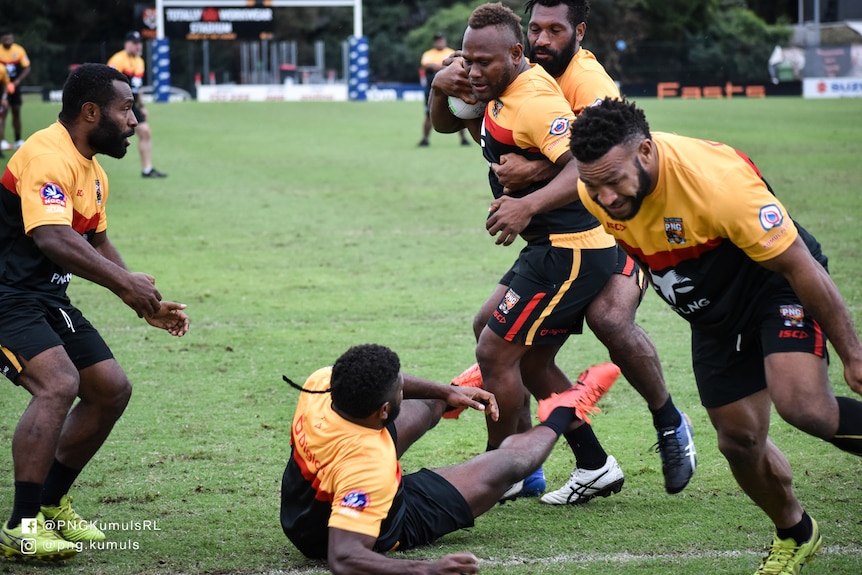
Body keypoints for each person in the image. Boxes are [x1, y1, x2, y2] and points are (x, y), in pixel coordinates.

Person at [569, 96, 862, 575]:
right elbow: (643, 249)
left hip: (772, 285)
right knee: (739, 442)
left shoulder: (718, 185)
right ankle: (796, 532)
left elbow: (799, 265)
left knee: (804, 406)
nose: (603, 198)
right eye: (591, 184)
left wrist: (853, 355)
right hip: (712, 314)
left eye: (612, 182)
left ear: (645, 151)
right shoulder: (598, 189)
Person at [429, 1, 696, 504]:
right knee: (504, 342)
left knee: (599, 326)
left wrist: (530, 192)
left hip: (616, 226)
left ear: (579, 31)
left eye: (556, 29)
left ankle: (667, 422)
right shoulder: (497, 76)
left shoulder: (580, 86)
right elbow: (459, 121)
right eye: (537, 28)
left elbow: (598, 163)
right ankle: (573, 464)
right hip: (559, 238)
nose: (544, 38)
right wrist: (441, 88)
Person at [0, 63, 189, 561]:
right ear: (91, 112)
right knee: (58, 384)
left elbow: (95, 240)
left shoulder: (93, 171)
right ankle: (21, 525)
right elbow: (53, 237)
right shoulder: (45, 155)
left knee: (110, 389)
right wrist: (126, 283)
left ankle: (50, 502)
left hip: (44, 297)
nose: (133, 119)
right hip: (5, 297)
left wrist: (138, 300)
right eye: (125, 108)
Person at [280, 343, 620, 574]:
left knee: (429, 401)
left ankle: (453, 393)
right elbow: (343, 557)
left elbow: (393, 387)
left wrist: (444, 391)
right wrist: (427, 569)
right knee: (506, 465)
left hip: (312, 494)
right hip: (352, 528)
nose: (402, 387)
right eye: (396, 392)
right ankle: (564, 410)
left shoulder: (323, 383)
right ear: (383, 411)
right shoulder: (368, 466)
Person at [107, 31, 167, 178]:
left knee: (145, 132)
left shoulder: (140, 62)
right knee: (109, 136)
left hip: (132, 104)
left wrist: (142, 106)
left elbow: (137, 88)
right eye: (135, 43)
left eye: (139, 43)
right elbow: (109, 85)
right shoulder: (117, 60)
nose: (138, 46)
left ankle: (147, 169)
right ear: (127, 44)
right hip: (119, 104)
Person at [418, 32, 470, 148]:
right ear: (434, 42)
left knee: (460, 111)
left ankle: (464, 139)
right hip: (432, 88)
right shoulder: (428, 54)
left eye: (441, 40)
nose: (439, 42)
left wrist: (437, 67)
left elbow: (434, 66)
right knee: (429, 113)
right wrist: (445, 68)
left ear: (444, 41)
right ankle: (425, 139)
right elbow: (427, 65)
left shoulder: (450, 52)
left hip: (452, 87)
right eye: (437, 40)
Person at [0, 31, 31, 151]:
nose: (8, 40)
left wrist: (18, 81)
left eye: (10, 38)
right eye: (5, 38)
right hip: (2, 86)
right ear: (2, 39)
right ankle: (1, 141)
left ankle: (18, 140)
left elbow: (27, 67)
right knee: (3, 114)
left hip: (14, 86)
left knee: (16, 111)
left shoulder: (19, 50)